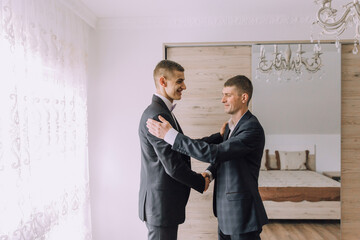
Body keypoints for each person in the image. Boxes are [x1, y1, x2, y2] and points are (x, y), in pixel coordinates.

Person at [146, 75, 268, 240]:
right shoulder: (231, 127)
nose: (222, 100)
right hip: (226, 214)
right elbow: (223, 158)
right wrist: (209, 174)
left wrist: (171, 136)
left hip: (242, 214)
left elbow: (215, 153)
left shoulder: (251, 128)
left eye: (228, 95)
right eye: (222, 94)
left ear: (244, 97)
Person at [138, 59, 210, 240]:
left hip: (162, 205)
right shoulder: (158, 115)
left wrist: (219, 136)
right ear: (163, 82)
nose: (184, 86)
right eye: (179, 81)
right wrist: (200, 182)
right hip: (161, 206)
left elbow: (181, 145)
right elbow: (173, 165)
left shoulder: (162, 111)